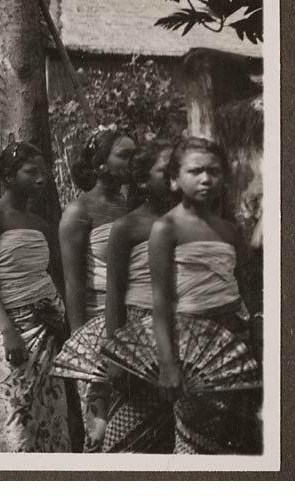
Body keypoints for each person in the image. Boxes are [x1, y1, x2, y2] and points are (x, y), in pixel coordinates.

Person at [146, 136, 260, 453]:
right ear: (174, 179)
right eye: (195, 171)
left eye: (214, 171)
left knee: (236, 436)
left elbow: (243, 290)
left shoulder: (229, 230)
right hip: (192, 346)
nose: (206, 179)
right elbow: (162, 301)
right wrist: (168, 364)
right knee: (195, 439)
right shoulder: (166, 228)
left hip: (235, 340)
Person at [0, 141, 71, 453]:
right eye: (32, 172)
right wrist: (8, 331)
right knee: (21, 409)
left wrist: (62, 318)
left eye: (45, 173)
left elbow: (53, 275)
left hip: (48, 326)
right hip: (12, 325)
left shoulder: (41, 224)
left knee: (53, 409)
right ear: (10, 176)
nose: (41, 179)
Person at [96, 140, 177, 453]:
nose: (174, 178)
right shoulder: (127, 227)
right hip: (140, 335)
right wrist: (116, 356)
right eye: (166, 171)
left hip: (182, 329)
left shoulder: (187, 222)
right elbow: (114, 295)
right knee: (131, 431)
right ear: (143, 180)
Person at [58, 128, 135, 451]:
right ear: (101, 165)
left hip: (133, 316)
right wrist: (81, 344)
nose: (133, 162)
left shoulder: (131, 207)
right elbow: (73, 282)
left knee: (129, 413)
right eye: (125, 155)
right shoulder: (80, 211)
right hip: (94, 322)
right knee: (99, 420)